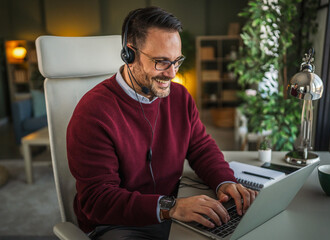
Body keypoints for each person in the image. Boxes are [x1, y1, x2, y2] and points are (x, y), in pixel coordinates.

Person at [67, 6, 257, 240]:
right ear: (130, 54)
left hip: (172, 210)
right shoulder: (93, 112)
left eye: (176, 61)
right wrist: (171, 207)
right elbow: (98, 200)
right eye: (161, 62)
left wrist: (224, 181)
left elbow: (200, 147)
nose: (172, 73)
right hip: (116, 224)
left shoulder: (180, 97)